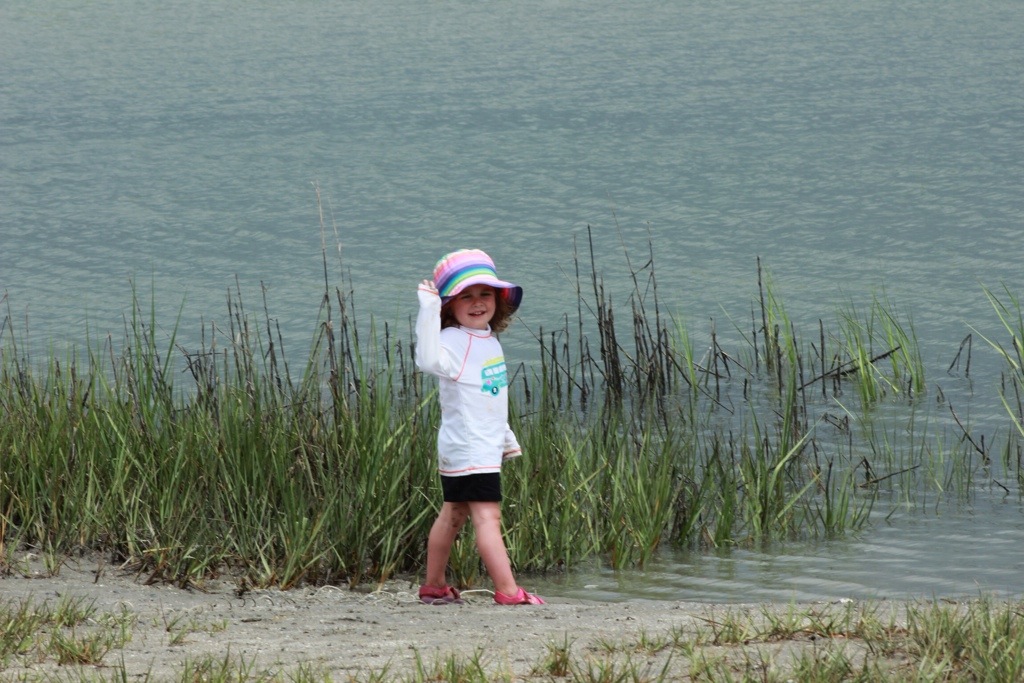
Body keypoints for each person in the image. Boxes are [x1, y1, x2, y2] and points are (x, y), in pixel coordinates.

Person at [414, 248, 545, 606]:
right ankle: (508, 592)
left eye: (485, 293)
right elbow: (427, 360)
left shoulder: (487, 340)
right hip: (470, 448)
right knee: (488, 517)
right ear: (449, 306)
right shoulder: (452, 340)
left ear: (499, 300)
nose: (477, 302)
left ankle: (434, 586)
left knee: (454, 514)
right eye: (465, 296)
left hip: (472, 446)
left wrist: (504, 436)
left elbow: (489, 396)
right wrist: (427, 311)